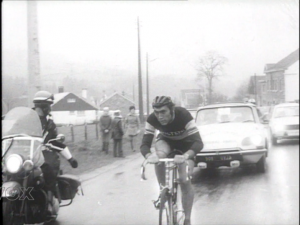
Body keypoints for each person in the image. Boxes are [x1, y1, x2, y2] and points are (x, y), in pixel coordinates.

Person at [140, 96, 204, 225]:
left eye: (163, 112)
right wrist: (148, 156)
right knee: (159, 156)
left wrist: (186, 156)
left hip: (187, 144)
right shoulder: (152, 119)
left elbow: (198, 142)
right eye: (156, 112)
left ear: (172, 110)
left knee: (183, 180)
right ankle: (163, 190)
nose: (160, 116)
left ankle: (187, 219)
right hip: (166, 142)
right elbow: (144, 144)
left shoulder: (183, 115)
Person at [32, 90, 78, 216]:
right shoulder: (28, 119)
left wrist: (70, 158)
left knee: (48, 167)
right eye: (48, 106)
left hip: (45, 153)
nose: (49, 109)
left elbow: (56, 142)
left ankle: (49, 202)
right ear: (42, 106)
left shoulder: (50, 123)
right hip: (28, 153)